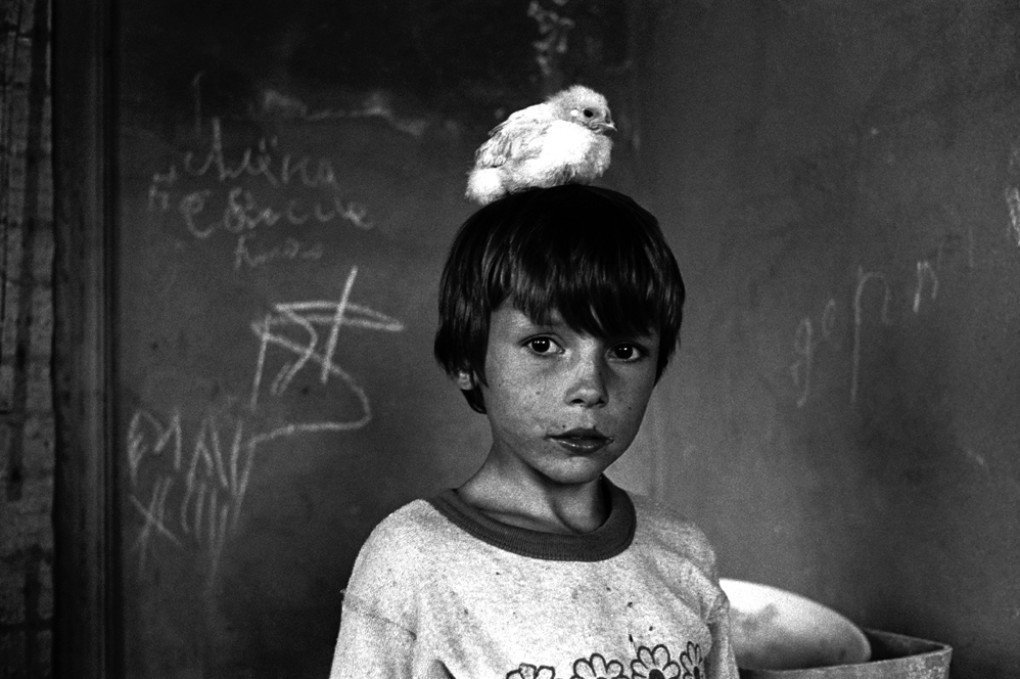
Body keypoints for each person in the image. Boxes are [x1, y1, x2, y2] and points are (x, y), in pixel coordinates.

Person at [330, 184, 738, 679]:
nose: (590, 388)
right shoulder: (413, 560)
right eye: (543, 344)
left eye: (625, 351)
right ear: (467, 359)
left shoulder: (683, 550)